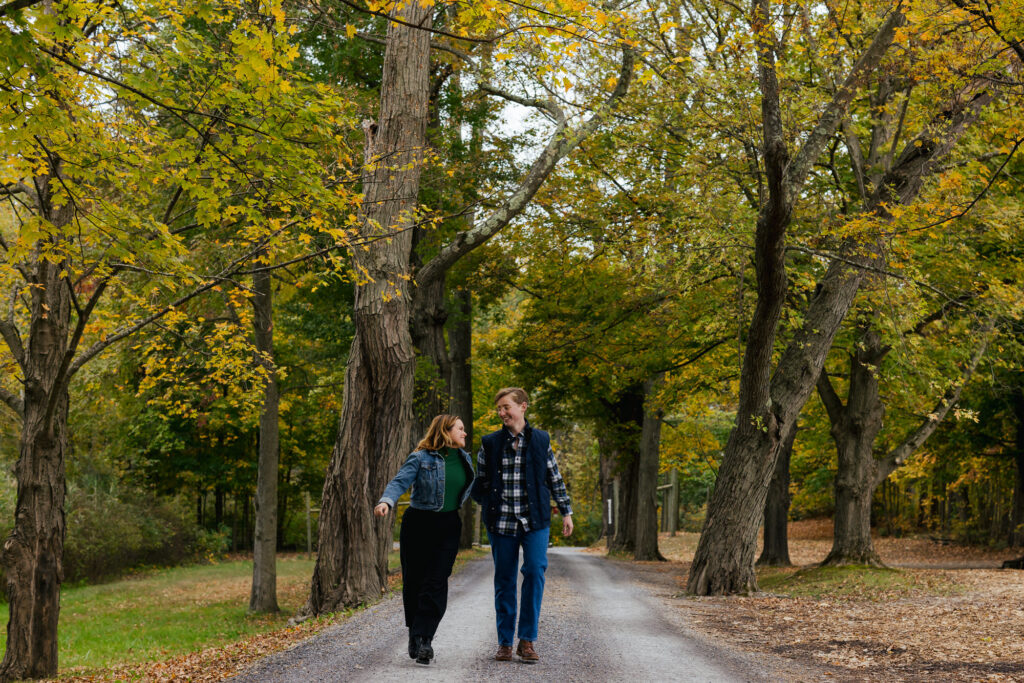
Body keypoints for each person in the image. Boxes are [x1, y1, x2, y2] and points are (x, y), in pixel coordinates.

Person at [471, 387, 573, 664]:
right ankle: (505, 642)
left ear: (523, 406)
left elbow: (554, 477)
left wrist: (566, 511)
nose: (502, 413)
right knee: (504, 579)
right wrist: (489, 503)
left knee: (535, 572)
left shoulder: (540, 440)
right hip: (501, 522)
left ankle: (527, 640)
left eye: (506, 407)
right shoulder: (490, 443)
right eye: (499, 409)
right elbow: (480, 481)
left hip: (535, 520)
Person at [374, 414, 475, 665]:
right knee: (415, 581)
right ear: (445, 431)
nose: (464, 433)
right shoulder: (420, 457)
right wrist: (386, 501)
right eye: (460, 429)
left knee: (437, 581)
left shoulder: (466, 460)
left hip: (449, 525)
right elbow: (400, 481)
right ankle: (415, 634)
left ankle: (425, 638)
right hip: (418, 524)